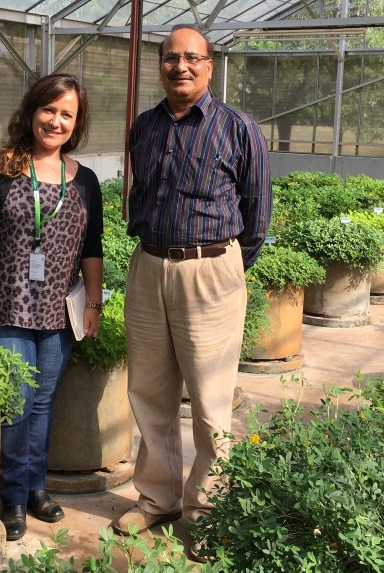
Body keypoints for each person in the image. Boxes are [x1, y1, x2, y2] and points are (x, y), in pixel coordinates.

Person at [112, 24, 272, 561]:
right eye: (170, 58)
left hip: (211, 270)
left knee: (209, 398)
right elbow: (141, 192)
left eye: (192, 58)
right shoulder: (145, 127)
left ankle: (207, 508)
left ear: (210, 65)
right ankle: (158, 498)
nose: (180, 67)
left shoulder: (238, 127)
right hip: (148, 266)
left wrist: (225, 267)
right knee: (149, 391)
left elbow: (257, 210)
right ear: (160, 65)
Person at [0, 73, 104, 542]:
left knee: (42, 405)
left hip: (58, 313)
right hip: (7, 310)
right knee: (17, 404)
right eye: (49, 110)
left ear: (76, 124)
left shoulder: (85, 180)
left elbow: (92, 246)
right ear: (32, 111)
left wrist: (94, 303)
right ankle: (10, 496)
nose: (55, 121)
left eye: (67, 114)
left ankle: (36, 489)